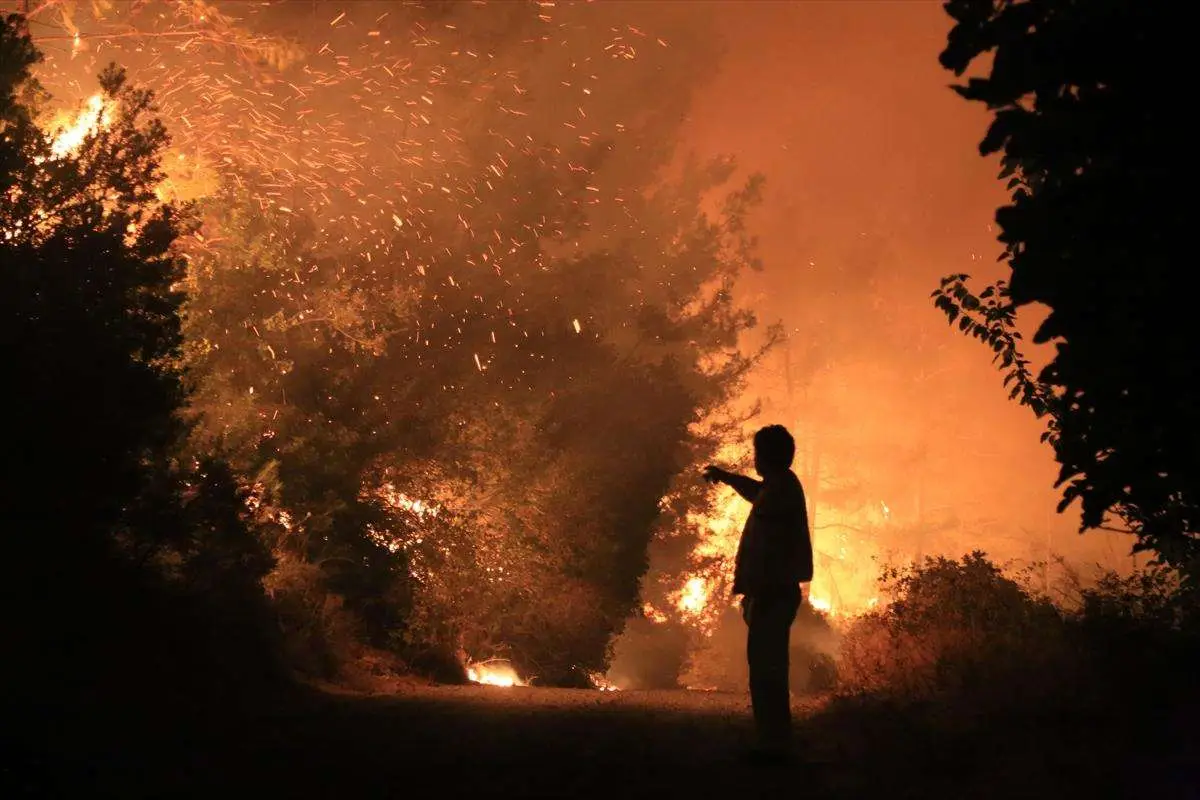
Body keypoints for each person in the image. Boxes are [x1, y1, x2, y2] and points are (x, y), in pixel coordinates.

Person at [703, 424, 813, 763]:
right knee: (767, 665)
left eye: (758, 452)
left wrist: (758, 592)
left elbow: (771, 541)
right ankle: (773, 740)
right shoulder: (780, 487)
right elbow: (757, 492)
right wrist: (727, 477)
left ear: (768, 456)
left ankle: (775, 744)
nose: (755, 459)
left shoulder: (782, 490)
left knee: (767, 668)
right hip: (770, 591)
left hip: (772, 591)